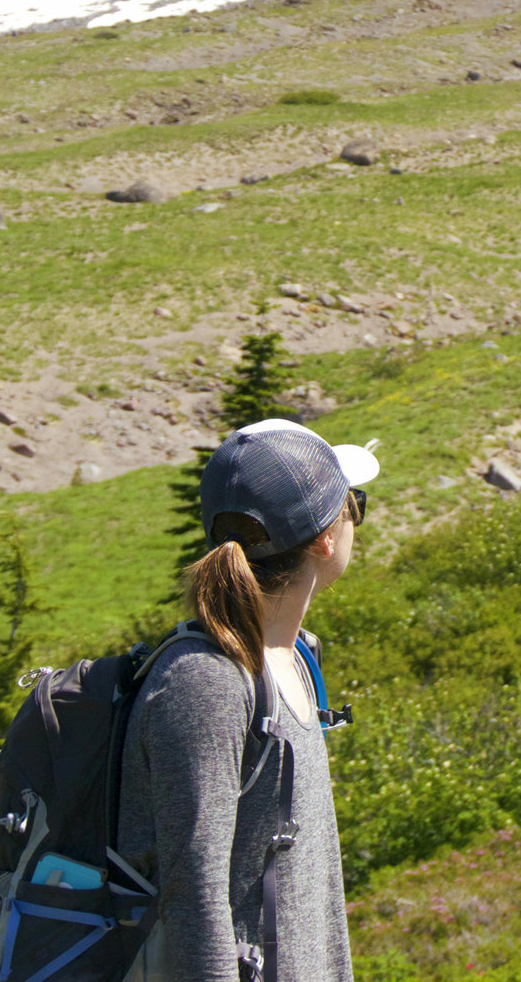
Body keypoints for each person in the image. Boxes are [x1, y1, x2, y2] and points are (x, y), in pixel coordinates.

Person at [119, 420, 377, 982]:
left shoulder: (293, 659)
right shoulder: (205, 683)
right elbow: (195, 900)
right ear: (325, 539)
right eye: (354, 505)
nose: (357, 516)